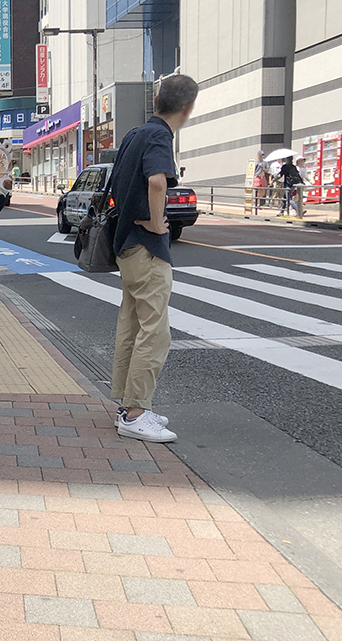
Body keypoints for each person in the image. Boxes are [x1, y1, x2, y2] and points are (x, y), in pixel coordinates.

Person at [110, 74, 199, 443]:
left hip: (125, 246)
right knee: (156, 331)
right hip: (146, 246)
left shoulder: (134, 134)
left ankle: (127, 405)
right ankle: (135, 413)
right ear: (188, 107)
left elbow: (115, 184)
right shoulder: (160, 135)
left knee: (131, 325)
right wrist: (154, 220)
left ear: (158, 99)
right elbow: (158, 181)